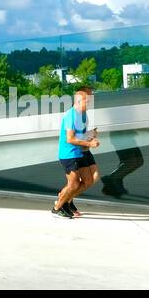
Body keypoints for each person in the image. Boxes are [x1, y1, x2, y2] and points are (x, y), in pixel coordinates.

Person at [52, 88, 99, 218]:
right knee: (74, 184)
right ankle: (57, 207)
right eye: (87, 102)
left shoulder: (83, 115)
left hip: (79, 152)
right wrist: (89, 144)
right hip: (69, 153)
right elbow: (70, 139)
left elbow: (80, 135)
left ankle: (66, 200)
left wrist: (90, 135)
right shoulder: (70, 116)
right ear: (78, 101)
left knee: (89, 180)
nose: (89, 104)